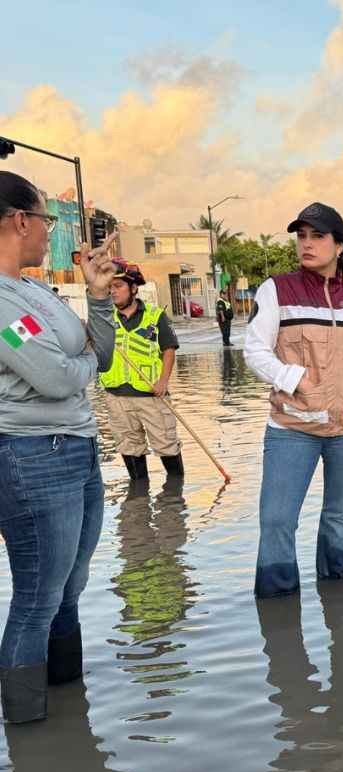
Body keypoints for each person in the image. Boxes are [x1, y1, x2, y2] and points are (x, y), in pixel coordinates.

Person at [0, 170, 117, 723]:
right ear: (20, 220)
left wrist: (97, 297)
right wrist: (86, 363)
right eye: (46, 220)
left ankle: (71, 722)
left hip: (76, 446)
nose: (51, 232)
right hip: (30, 455)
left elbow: (100, 355)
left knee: (71, 587)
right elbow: (53, 376)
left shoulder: (34, 290)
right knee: (37, 598)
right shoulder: (2, 303)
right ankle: (28, 732)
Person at [245, 202, 343, 598]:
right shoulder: (277, 289)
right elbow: (255, 350)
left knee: (341, 518)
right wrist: (295, 380)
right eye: (301, 236)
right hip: (293, 428)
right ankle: (278, 613)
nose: (306, 244)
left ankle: (338, 601)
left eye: (317, 236)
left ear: (340, 245)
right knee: (276, 520)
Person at [99, 260, 184, 481]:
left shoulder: (155, 317)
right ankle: (139, 499)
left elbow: (168, 350)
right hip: (117, 396)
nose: (112, 291)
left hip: (151, 395)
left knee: (166, 444)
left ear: (133, 288)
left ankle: (174, 499)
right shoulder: (104, 319)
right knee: (129, 447)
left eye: (118, 286)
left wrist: (163, 382)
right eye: (110, 287)